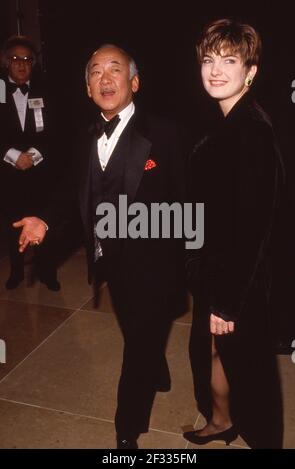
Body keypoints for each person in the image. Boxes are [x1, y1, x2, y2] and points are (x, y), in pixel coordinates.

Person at [13, 44, 187, 449]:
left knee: (136, 349)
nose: (105, 79)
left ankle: (126, 435)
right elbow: (69, 193)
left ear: (135, 82)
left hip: (154, 264)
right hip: (110, 262)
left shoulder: (166, 133)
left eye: (115, 69)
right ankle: (157, 365)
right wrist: (45, 219)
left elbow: (187, 199)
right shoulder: (84, 136)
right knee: (132, 323)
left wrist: (187, 264)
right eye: (95, 72)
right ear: (87, 87)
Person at [184, 19, 284, 448]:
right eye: (209, 59)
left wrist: (226, 304)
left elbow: (253, 229)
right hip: (219, 272)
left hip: (239, 283)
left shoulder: (252, 132)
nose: (216, 70)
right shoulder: (227, 121)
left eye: (229, 60)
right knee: (212, 353)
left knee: (253, 379)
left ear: (252, 71)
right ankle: (222, 421)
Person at [0, 35, 60, 291]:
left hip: (40, 171)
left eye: (27, 60)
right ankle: (16, 272)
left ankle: (47, 272)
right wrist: (13, 155)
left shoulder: (45, 88)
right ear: (5, 62)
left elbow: (58, 131)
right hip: (7, 171)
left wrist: (33, 155)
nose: (22, 65)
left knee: (43, 220)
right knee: (12, 222)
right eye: (16, 59)